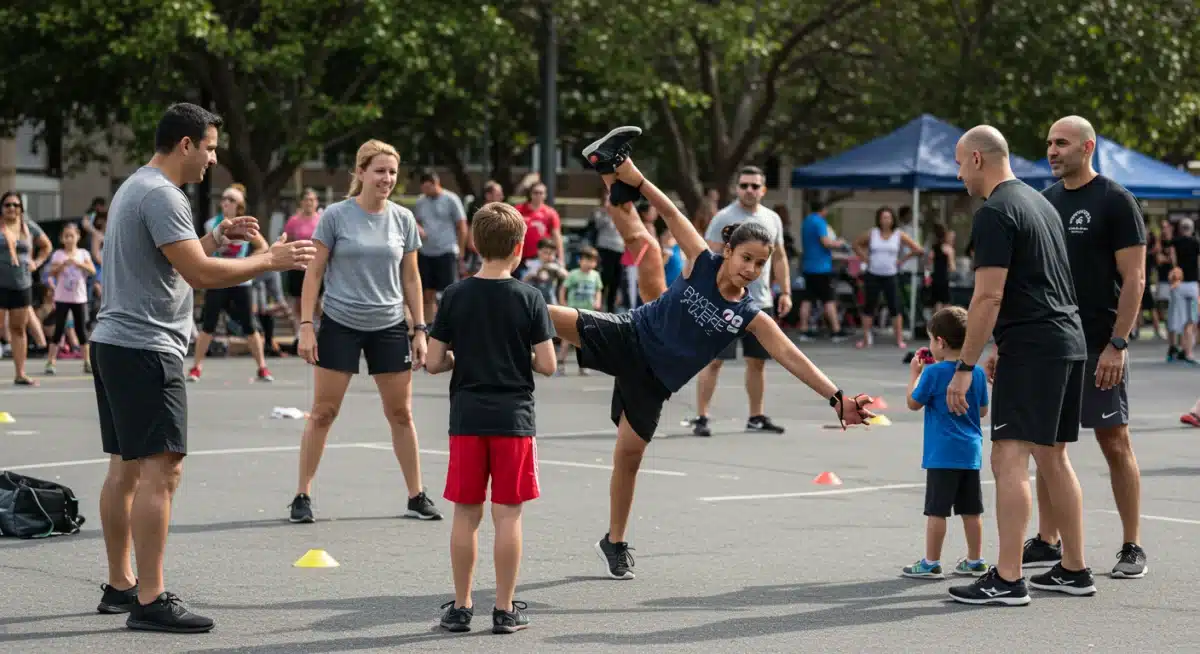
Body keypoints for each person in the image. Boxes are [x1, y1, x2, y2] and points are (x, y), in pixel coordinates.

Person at [572, 126, 875, 580]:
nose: (751, 269)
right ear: (728, 250)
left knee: (628, 458)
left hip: (652, 380)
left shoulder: (751, 314)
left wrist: (838, 398)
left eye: (760, 263)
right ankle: (475, 317)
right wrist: (634, 178)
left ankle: (614, 540)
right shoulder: (702, 260)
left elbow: (792, 356)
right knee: (538, 311)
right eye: (746, 258)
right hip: (629, 334)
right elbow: (672, 212)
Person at [90, 102, 315, 632]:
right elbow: (200, 275)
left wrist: (218, 236)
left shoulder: (137, 186)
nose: (214, 159)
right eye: (210, 147)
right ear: (186, 145)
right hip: (145, 347)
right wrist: (269, 260)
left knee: (124, 469)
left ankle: (121, 586)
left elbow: (179, 258)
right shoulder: (163, 195)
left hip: (115, 343)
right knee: (162, 470)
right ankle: (150, 598)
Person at [945, 125, 1094, 606]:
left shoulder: (995, 212)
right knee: (1053, 455)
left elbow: (988, 295)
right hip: (1065, 340)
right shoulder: (1040, 203)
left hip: (1036, 345)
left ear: (977, 159)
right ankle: (1074, 568)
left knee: (1008, 457)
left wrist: (964, 365)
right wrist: (1001, 345)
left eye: (959, 162)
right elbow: (1045, 281)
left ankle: (1008, 578)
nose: (958, 173)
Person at [291, 139, 443, 524]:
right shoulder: (336, 216)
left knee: (401, 414)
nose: (387, 178)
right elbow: (315, 272)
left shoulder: (403, 220)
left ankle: (416, 495)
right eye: (379, 171)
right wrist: (307, 325)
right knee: (324, 412)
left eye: (392, 172)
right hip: (340, 323)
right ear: (360, 173)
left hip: (389, 325)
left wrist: (420, 328)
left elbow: (411, 277)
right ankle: (302, 495)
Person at [427, 201, 556, 635]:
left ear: (476, 244)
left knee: (466, 513)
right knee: (508, 514)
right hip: (513, 418)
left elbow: (432, 361)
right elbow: (548, 363)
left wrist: (458, 358)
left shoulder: (455, 295)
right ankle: (503, 608)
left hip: (467, 416)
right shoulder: (530, 297)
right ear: (519, 247)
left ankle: (462, 606)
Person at [1028, 115, 1148, 578]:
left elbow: (1134, 278)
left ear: (1087, 146)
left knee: (1115, 441)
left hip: (1101, 345)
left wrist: (1118, 343)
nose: (1052, 150)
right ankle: (1047, 540)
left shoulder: (1115, 201)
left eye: (1062, 142)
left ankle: (1132, 545)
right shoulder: (1044, 201)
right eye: (1049, 143)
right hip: (1053, 345)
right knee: (1048, 445)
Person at [688, 166, 791, 437]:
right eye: (744, 185)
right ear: (737, 188)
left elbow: (779, 256)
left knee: (757, 361)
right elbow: (708, 257)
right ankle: (702, 416)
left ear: (763, 190)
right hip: (725, 300)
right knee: (713, 361)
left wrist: (786, 292)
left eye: (755, 186)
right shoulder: (724, 217)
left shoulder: (772, 219)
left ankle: (756, 417)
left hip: (759, 301)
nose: (749, 190)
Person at [902, 306, 989, 580]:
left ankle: (931, 561)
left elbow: (913, 403)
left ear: (940, 341)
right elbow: (984, 410)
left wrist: (914, 374)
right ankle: (975, 560)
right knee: (972, 510)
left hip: (942, 454)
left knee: (937, 511)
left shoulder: (934, 373)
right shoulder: (975, 373)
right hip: (970, 452)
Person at [187, 185, 274, 382]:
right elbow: (201, 251)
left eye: (231, 199)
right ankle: (196, 368)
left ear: (240, 206)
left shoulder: (245, 225)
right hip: (217, 279)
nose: (225, 202)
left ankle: (262, 367)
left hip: (241, 281)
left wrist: (248, 262)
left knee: (249, 326)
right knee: (208, 324)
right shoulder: (212, 225)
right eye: (224, 198)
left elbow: (263, 246)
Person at [852, 206, 924, 349]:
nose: (885, 220)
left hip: (890, 275)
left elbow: (918, 249)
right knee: (869, 306)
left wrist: (902, 260)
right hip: (873, 274)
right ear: (879, 219)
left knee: (895, 307)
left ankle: (899, 339)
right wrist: (865, 258)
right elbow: (856, 244)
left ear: (892, 220)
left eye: (888, 217)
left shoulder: (898, 234)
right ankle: (866, 338)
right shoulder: (873, 233)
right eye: (883, 217)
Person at [0, 190, 52, 385]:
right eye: (7, 205)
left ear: (21, 208)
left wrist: (36, 263)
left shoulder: (28, 227)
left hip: (21, 284)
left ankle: (20, 373)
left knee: (18, 329)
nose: (12, 208)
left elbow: (46, 246)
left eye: (16, 205)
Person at [413, 169, 467, 324]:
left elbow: (461, 225)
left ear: (436, 183)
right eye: (423, 188)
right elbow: (416, 221)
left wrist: (461, 251)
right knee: (426, 292)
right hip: (426, 252)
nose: (425, 191)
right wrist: (418, 228)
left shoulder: (451, 199)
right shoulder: (420, 201)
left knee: (448, 292)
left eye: (428, 187)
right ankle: (429, 325)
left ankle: (451, 325)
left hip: (446, 251)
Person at [44, 222, 96, 375]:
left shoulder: (83, 254)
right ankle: (51, 361)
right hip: (62, 298)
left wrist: (79, 264)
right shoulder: (58, 254)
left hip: (79, 298)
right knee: (59, 328)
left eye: (72, 236)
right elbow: (51, 273)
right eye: (66, 236)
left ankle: (86, 361)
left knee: (81, 330)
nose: (69, 239)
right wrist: (62, 265)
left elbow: (92, 270)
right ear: (62, 239)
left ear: (78, 237)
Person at [557, 246, 604, 373]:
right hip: (573, 311)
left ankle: (584, 366)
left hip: (588, 312)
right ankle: (560, 363)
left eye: (592, 261)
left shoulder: (595, 275)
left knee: (585, 340)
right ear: (580, 261)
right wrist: (563, 302)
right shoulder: (573, 274)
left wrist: (598, 301)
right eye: (586, 260)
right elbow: (563, 288)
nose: (589, 264)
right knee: (566, 338)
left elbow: (598, 290)